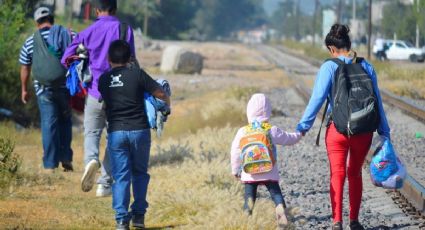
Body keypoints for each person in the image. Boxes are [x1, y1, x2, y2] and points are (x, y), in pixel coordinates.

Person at [296, 24, 391, 230]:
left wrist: (303, 127)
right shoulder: (367, 66)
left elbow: (317, 100)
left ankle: (337, 222)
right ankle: (354, 221)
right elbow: (378, 102)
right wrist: (385, 132)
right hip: (363, 131)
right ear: (349, 45)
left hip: (337, 131)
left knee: (337, 173)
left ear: (331, 48)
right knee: (355, 173)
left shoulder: (329, 66)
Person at [61, 0, 136, 196]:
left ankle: (90, 161)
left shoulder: (88, 32)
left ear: (96, 10)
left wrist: (83, 60)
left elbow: (66, 58)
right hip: (119, 95)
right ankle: (104, 183)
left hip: (95, 92)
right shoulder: (125, 30)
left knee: (92, 133)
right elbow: (132, 60)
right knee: (114, 137)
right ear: (115, 9)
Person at [98, 40, 170, 230]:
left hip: (116, 133)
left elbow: (106, 102)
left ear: (108, 59)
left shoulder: (103, 80)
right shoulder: (137, 75)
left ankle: (122, 221)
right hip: (139, 131)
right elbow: (160, 93)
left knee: (121, 176)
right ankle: (138, 217)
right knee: (139, 174)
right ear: (130, 58)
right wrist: (166, 105)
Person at [230, 93, 302, 227]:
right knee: (275, 193)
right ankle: (280, 208)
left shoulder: (243, 131)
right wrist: (300, 133)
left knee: (249, 197)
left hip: (250, 173)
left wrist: (235, 170)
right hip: (269, 171)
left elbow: (235, 151)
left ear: (249, 111)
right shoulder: (271, 130)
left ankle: (247, 217)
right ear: (268, 112)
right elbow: (289, 139)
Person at [19, 7, 74, 173]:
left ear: (37, 23)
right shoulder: (68, 35)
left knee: (49, 124)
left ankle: (50, 165)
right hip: (65, 87)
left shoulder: (30, 41)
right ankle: (65, 158)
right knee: (65, 121)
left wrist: (24, 89)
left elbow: (25, 67)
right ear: (52, 19)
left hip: (44, 89)